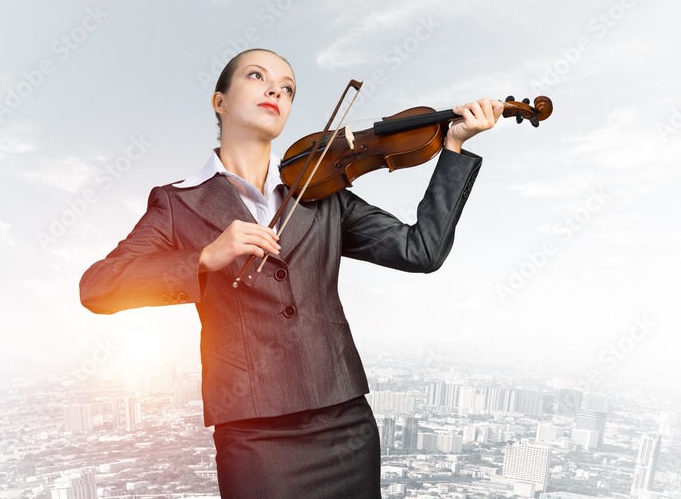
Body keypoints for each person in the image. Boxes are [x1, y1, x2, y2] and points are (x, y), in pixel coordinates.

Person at [79, 48, 503, 498]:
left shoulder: (322, 190)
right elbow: (98, 288)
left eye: (288, 88)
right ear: (219, 101)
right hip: (255, 436)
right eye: (257, 76)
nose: (275, 90)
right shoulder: (177, 203)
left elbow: (421, 251)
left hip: (345, 424)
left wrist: (453, 147)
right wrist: (206, 255)